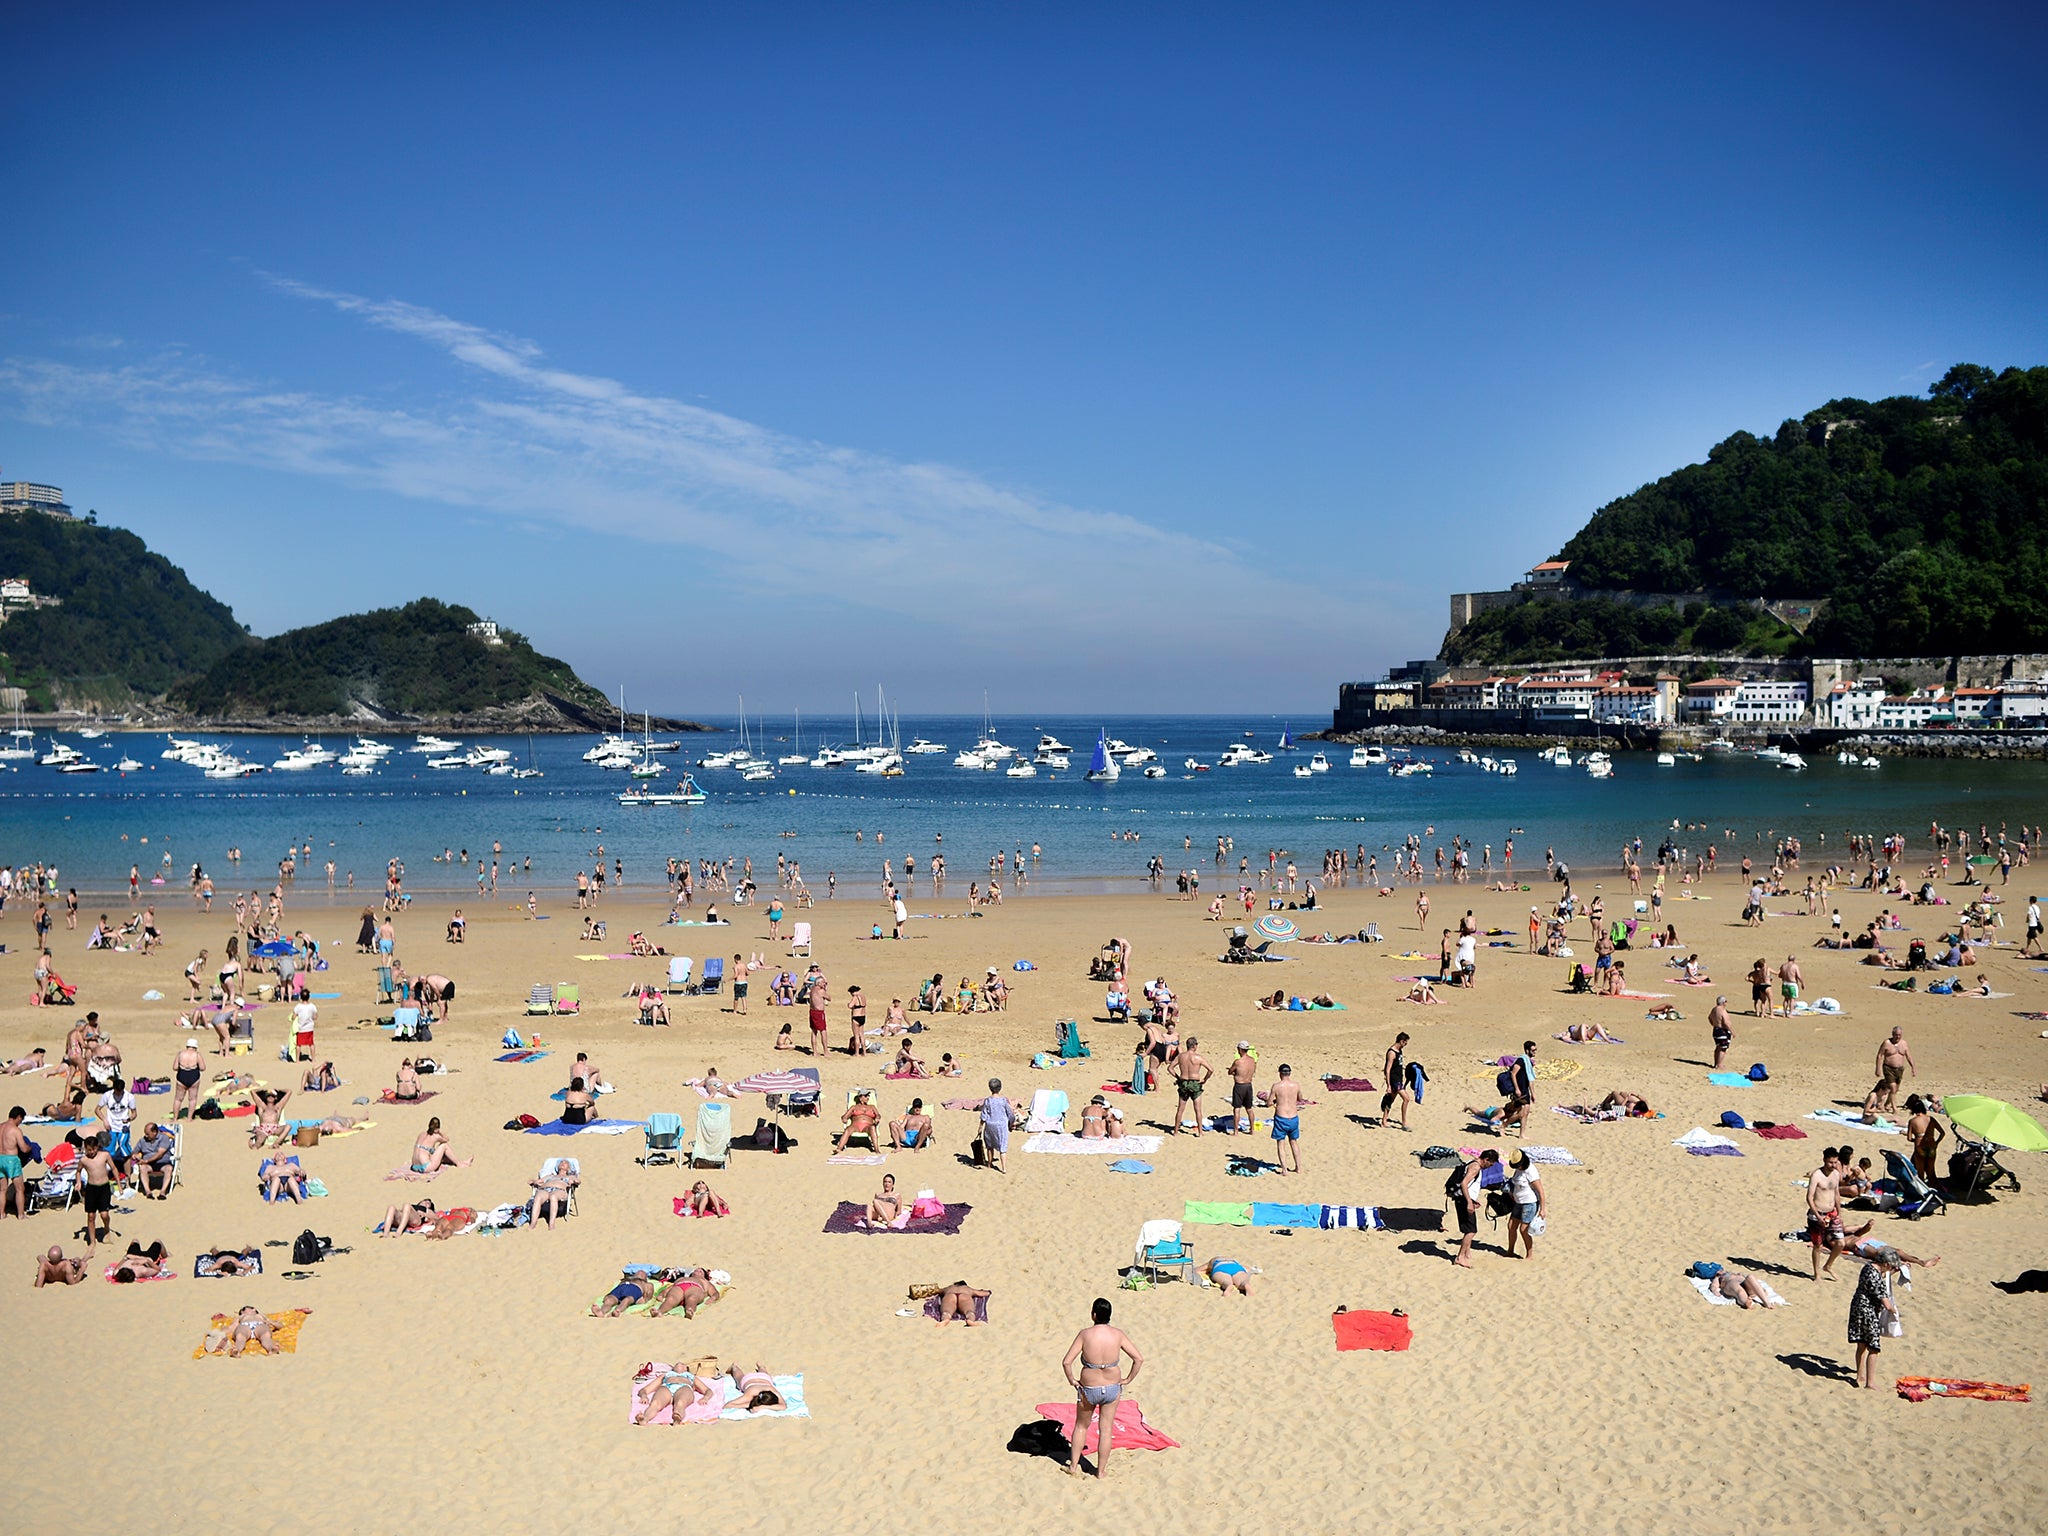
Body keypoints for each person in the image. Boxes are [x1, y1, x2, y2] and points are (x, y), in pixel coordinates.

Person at [1062, 1298, 1143, 1479]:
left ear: (1094, 1315)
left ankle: (1073, 1466)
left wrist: (1072, 1380)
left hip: (1089, 1388)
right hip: (1112, 1387)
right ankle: (1100, 1471)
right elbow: (1138, 1359)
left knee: (1081, 1426)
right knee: (1106, 1430)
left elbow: (1067, 1362)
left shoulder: (1085, 1334)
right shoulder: (1118, 1334)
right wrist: (1128, 1379)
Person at [1847, 1251, 1901, 1390]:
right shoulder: (1875, 1277)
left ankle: (1860, 1375)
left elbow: (1880, 1276)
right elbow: (1886, 1303)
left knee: (1861, 1344)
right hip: (1868, 1312)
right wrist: (1895, 1312)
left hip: (1857, 1308)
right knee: (1873, 1347)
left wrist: (1892, 1272)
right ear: (1886, 1264)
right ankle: (1870, 1382)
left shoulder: (1868, 1267)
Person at [1453, 1148, 1500, 1268]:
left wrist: (1473, 1200)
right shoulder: (1475, 1167)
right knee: (1471, 1230)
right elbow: (1464, 1183)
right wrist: (1469, 1202)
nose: (1490, 1166)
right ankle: (1460, 1257)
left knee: (1467, 1228)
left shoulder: (1471, 1163)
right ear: (1486, 1159)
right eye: (1490, 1163)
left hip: (1463, 1199)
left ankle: (1467, 1252)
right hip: (1464, 1200)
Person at [76, 1135, 117, 1250]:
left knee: (104, 1214)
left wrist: (119, 1184)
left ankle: (107, 1229)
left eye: (93, 1149)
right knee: (91, 1216)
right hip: (91, 1188)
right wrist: (78, 1182)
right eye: (88, 1150)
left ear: (97, 1147)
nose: (91, 1152)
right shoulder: (84, 1160)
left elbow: (113, 1168)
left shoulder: (105, 1155)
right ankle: (92, 1241)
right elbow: (78, 1171)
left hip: (104, 1187)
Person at [1505, 1148, 1545, 1259]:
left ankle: (1529, 1255)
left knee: (1524, 1229)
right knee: (1511, 1226)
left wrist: (1542, 1209)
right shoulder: (1518, 1170)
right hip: (1518, 1202)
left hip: (1530, 1203)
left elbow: (1541, 1191)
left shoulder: (1530, 1171)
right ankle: (1510, 1251)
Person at [1267, 1062, 1304, 1175]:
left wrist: (1274, 1102)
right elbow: (1300, 1099)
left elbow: (1269, 1103)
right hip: (1293, 1117)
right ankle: (1298, 1168)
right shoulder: (1296, 1085)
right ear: (1289, 1073)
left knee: (1281, 1143)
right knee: (1294, 1142)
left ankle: (1284, 1169)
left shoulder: (1276, 1086)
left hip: (1281, 1117)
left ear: (1280, 1073)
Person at [649, 1266, 725, 1319]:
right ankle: (660, 1312)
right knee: (671, 1298)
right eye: (696, 1270)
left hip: (695, 1287)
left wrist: (712, 1298)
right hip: (680, 1286)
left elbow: (715, 1293)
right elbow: (670, 1288)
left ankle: (689, 1311)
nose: (698, 1270)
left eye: (701, 1271)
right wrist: (662, 1294)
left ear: (704, 1275)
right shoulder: (683, 1278)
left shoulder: (705, 1282)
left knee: (692, 1298)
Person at [1173, 1037, 1212, 1136]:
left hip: (1184, 1082)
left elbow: (1170, 1068)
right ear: (1194, 1046)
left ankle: (1176, 1131)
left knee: (1180, 1109)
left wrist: (1178, 1078)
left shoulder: (1181, 1056)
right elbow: (1210, 1069)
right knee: (1198, 1109)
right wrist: (1205, 1079)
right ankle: (1200, 1132)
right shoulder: (1198, 1057)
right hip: (1195, 1083)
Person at [1871, 1027, 1915, 1115]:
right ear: (1892, 1034)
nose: (1897, 1037)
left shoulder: (1904, 1043)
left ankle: (1887, 1104)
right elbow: (1880, 1055)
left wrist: (1913, 1067)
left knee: (1896, 1089)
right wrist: (1878, 1068)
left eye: (1899, 1035)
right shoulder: (1887, 1043)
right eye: (1896, 1035)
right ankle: (1894, 1109)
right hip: (1888, 1068)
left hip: (1899, 1069)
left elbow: (1908, 1056)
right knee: (1893, 1088)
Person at [977, 1079, 1018, 1172]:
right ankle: (1003, 1168)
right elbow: (1010, 1114)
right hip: (1002, 1126)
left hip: (990, 1125)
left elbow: (984, 1115)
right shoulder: (1003, 1101)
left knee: (989, 1145)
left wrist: (980, 1127)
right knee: (1002, 1147)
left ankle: (989, 1163)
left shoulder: (988, 1101)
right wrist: (1011, 1123)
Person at [1905, 1094, 1946, 1183]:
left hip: (1919, 1146)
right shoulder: (1930, 1119)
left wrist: (1915, 1139)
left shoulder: (1912, 1121)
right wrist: (1937, 1142)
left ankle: (1922, 1189)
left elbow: (1909, 1138)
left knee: (1920, 1172)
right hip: (1931, 1144)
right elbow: (1942, 1133)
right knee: (1931, 1171)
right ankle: (1933, 1187)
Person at [132, 1121, 176, 1198]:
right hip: (149, 1165)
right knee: (143, 1168)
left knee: (168, 1169)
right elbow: (134, 1152)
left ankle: (163, 1192)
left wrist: (146, 1161)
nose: (146, 1135)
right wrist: (135, 1156)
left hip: (162, 1162)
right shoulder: (142, 1140)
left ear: (155, 1132)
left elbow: (160, 1154)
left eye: (148, 1134)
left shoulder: (164, 1138)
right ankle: (148, 1191)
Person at [527, 1163, 576, 1230]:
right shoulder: (550, 1176)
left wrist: (573, 1181)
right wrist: (534, 1182)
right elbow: (534, 1181)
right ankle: (533, 1223)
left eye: (565, 1163)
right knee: (538, 1197)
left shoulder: (570, 1177)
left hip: (559, 1190)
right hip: (545, 1189)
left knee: (553, 1196)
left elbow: (578, 1181)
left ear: (568, 1168)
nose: (562, 1163)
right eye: (561, 1162)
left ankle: (551, 1224)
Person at [0, 1105, 29, 1219]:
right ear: (18, 1117)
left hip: (0, 1158)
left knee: (2, 1189)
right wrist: (31, 1147)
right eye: (21, 1120)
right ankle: (21, 1214)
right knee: (19, 1189)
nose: (20, 1122)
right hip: (11, 1160)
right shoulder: (15, 1130)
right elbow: (24, 1148)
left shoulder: (0, 1126)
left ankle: (1, 1213)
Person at [834, 1090, 883, 1156]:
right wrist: (844, 1118)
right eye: (865, 1096)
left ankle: (877, 1150)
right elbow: (845, 1116)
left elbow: (878, 1115)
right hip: (855, 1126)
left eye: (868, 1096)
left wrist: (877, 1118)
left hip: (867, 1127)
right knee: (847, 1130)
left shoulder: (872, 1107)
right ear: (860, 1098)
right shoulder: (854, 1107)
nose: (867, 1098)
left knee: (872, 1127)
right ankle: (839, 1149)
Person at [1381, 1032, 1413, 1131]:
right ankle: (1404, 1123)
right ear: (1401, 1041)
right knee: (1406, 1099)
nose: (1406, 1045)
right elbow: (1387, 1069)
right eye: (1405, 1043)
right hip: (1394, 1080)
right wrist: (1388, 1085)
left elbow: (1397, 1065)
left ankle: (1384, 1121)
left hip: (1399, 1078)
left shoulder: (1399, 1051)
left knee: (1390, 1101)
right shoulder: (1392, 1052)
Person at [1225, 1042, 1258, 1134]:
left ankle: (1236, 1131)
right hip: (1248, 1085)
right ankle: (1252, 1129)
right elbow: (1253, 1071)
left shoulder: (1238, 1062)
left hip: (1239, 1086)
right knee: (1249, 1108)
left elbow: (1230, 1071)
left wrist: (1234, 1072)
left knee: (1237, 1108)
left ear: (1240, 1049)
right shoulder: (1252, 1060)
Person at [1711, 1268, 1776, 1308]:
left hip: (1743, 1283)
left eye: (1721, 1269)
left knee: (1750, 1277)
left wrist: (1740, 1275)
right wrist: (1715, 1291)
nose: (1721, 1270)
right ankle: (1745, 1302)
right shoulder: (1718, 1278)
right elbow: (1714, 1286)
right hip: (1731, 1284)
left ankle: (1766, 1302)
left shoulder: (1733, 1273)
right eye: (1719, 1271)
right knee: (1740, 1291)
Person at [1709, 996, 1733, 1069]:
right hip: (1722, 1031)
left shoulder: (1714, 1009)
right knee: (1723, 1048)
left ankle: (1716, 1063)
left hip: (1716, 1030)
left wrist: (1714, 1024)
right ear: (1723, 1002)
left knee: (1718, 1047)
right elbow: (1725, 1022)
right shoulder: (1722, 1010)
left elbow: (1709, 1018)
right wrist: (1732, 1031)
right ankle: (1719, 1064)